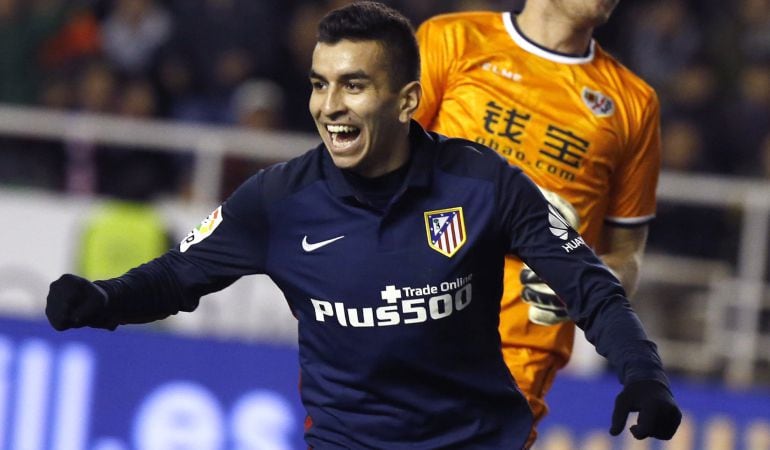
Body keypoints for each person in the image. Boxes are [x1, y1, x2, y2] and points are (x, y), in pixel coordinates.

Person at [45, 2, 680, 448]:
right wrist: (104, 299)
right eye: (320, 85)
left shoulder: (485, 184)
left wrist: (643, 373)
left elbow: (594, 284)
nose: (330, 105)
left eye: (354, 85)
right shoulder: (280, 199)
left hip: (481, 432)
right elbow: (182, 273)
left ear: (408, 100)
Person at [414, 0, 663, 445]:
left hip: (515, 361)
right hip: (403, 324)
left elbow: (630, 253)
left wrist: (594, 279)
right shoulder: (450, 41)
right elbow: (377, 175)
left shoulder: (632, 103)